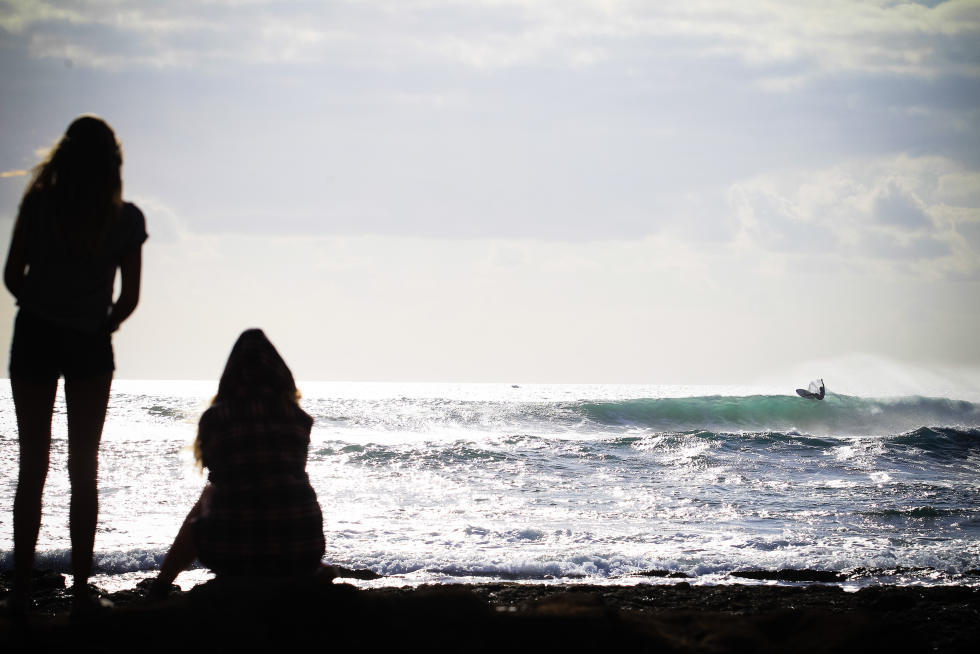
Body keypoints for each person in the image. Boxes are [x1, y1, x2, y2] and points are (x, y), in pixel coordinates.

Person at [3, 115, 147, 617]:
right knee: (84, 468)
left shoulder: (40, 204)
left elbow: (11, 275)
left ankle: (21, 590)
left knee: (32, 468)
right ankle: (83, 587)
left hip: (36, 338)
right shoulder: (125, 219)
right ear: (113, 163)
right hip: (89, 343)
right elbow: (128, 298)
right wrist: (97, 324)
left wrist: (45, 307)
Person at [149, 329, 326, 598]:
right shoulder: (298, 419)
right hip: (301, 549)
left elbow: (219, 486)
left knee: (211, 494)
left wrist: (163, 583)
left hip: (233, 556)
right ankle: (306, 570)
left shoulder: (216, 418)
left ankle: (164, 581)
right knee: (286, 490)